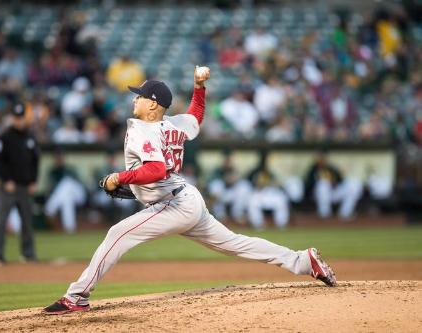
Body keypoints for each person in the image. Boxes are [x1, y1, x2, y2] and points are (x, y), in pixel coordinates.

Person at [43, 67, 336, 315]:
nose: (135, 98)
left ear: (154, 105)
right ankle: (302, 260)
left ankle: (77, 297)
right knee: (235, 243)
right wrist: (199, 87)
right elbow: (195, 116)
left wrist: (120, 177)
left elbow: (155, 170)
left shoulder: (141, 130)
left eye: (141, 96)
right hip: (185, 198)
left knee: (117, 233)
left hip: (174, 205)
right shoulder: (171, 124)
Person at [0, 103, 39, 266]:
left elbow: (35, 160)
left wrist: (33, 180)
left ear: (24, 117)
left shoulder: (29, 137)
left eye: (20, 117)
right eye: (16, 118)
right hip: (7, 187)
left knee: (27, 221)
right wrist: (6, 179)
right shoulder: (3, 137)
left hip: (25, 185)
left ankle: (28, 254)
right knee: (1, 220)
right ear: (12, 118)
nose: (18, 121)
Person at [304, 151, 363, 220]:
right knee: (323, 184)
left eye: (323, 157)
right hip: (318, 196)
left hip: (333, 192)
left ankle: (345, 213)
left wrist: (334, 182)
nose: (321, 159)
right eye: (319, 157)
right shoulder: (313, 170)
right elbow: (308, 185)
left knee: (354, 184)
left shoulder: (331, 168)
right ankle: (324, 214)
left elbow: (341, 181)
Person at [44, 152, 87, 233]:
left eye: (61, 158)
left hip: (78, 195)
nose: (59, 160)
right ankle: (70, 228)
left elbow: (81, 183)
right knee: (66, 199)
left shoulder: (70, 169)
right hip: (66, 196)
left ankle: (50, 208)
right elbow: (50, 188)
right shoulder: (53, 172)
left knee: (67, 182)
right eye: (57, 158)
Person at [246, 151, 290, 229]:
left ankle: (281, 224)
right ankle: (258, 224)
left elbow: (277, 185)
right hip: (257, 193)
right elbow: (248, 184)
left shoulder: (270, 172)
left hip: (269, 193)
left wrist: (275, 184)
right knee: (253, 202)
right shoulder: (254, 172)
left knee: (281, 199)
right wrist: (258, 184)